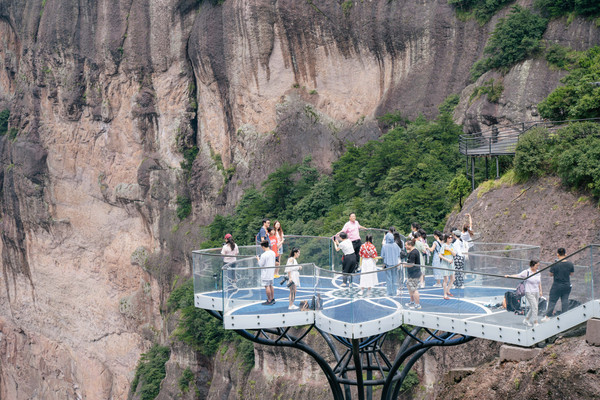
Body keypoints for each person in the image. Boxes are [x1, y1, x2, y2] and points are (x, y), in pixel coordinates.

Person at [505, 260, 543, 326]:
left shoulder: (538, 272)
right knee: (535, 307)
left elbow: (539, 282)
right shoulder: (527, 272)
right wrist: (509, 276)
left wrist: (540, 291)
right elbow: (518, 275)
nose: (537, 267)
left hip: (536, 292)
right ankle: (535, 322)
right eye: (537, 266)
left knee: (534, 307)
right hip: (529, 292)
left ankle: (526, 319)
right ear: (532, 265)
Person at [542, 248, 574, 322]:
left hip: (557, 285)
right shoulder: (570, 264)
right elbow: (571, 274)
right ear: (565, 254)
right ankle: (564, 316)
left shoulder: (555, 264)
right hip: (566, 285)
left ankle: (547, 316)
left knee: (552, 300)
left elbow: (551, 274)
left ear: (557, 254)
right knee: (565, 300)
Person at [381, 228, 401, 296]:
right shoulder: (396, 245)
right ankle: (394, 291)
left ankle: (389, 292)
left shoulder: (384, 246)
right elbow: (398, 254)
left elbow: (382, 255)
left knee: (388, 279)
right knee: (394, 278)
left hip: (388, 264)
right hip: (395, 264)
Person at [256, 240, 276, 305]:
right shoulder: (273, 253)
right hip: (271, 271)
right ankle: (272, 298)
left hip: (266, 272)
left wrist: (258, 259)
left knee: (267, 286)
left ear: (263, 247)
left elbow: (261, 264)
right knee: (271, 285)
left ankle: (269, 300)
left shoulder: (264, 255)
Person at [404, 240, 422, 309]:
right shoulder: (414, 251)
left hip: (414, 273)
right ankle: (412, 301)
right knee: (409, 286)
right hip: (412, 273)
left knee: (414, 289)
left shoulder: (413, 253)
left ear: (410, 245)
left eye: (406, 245)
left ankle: (417, 304)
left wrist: (404, 265)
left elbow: (411, 264)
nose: (405, 247)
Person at [440, 234, 455, 299]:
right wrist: (447, 260)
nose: (450, 239)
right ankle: (445, 294)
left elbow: (454, 254)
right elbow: (440, 255)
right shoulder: (443, 246)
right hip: (445, 264)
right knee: (446, 279)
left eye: (451, 237)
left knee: (453, 278)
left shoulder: (452, 245)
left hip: (451, 263)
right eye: (449, 237)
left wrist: (449, 250)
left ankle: (448, 290)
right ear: (446, 238)